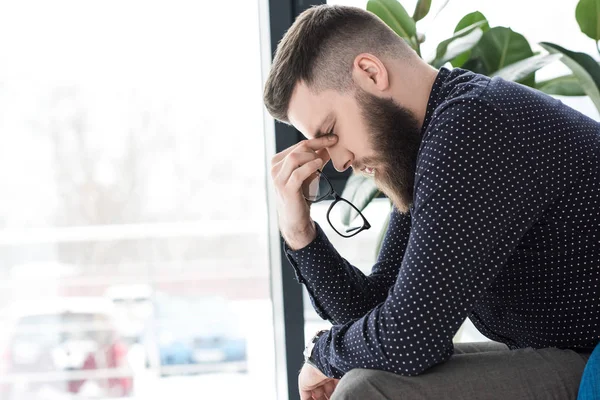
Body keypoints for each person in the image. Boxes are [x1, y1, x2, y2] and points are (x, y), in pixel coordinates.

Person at [264, 4, 600, 400]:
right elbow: (375, 309)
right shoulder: (430, 140)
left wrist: (322, 352)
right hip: (572, 352)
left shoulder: (473, 125)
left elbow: (410, 338)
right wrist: (299, 231)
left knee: (366, 390)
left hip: (590, 357)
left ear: (371, 72)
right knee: (365, 380)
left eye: (332, 131)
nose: (339, 161)